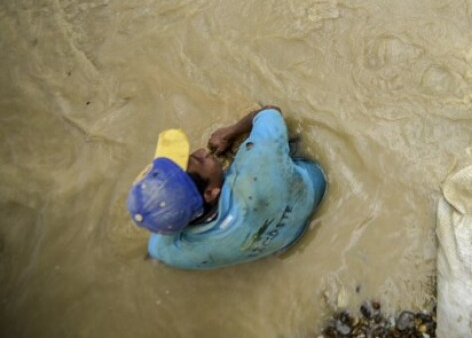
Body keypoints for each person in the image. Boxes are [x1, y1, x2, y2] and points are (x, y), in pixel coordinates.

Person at [127, 106, 326, 269]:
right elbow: (270, 112)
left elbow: (156, 249)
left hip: (282, 244)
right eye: (199, 160)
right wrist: (230, 132)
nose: (202, 151)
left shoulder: (172, 253)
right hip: (316, 189)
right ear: (210, 193)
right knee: (289, 139)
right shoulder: (258, 158)